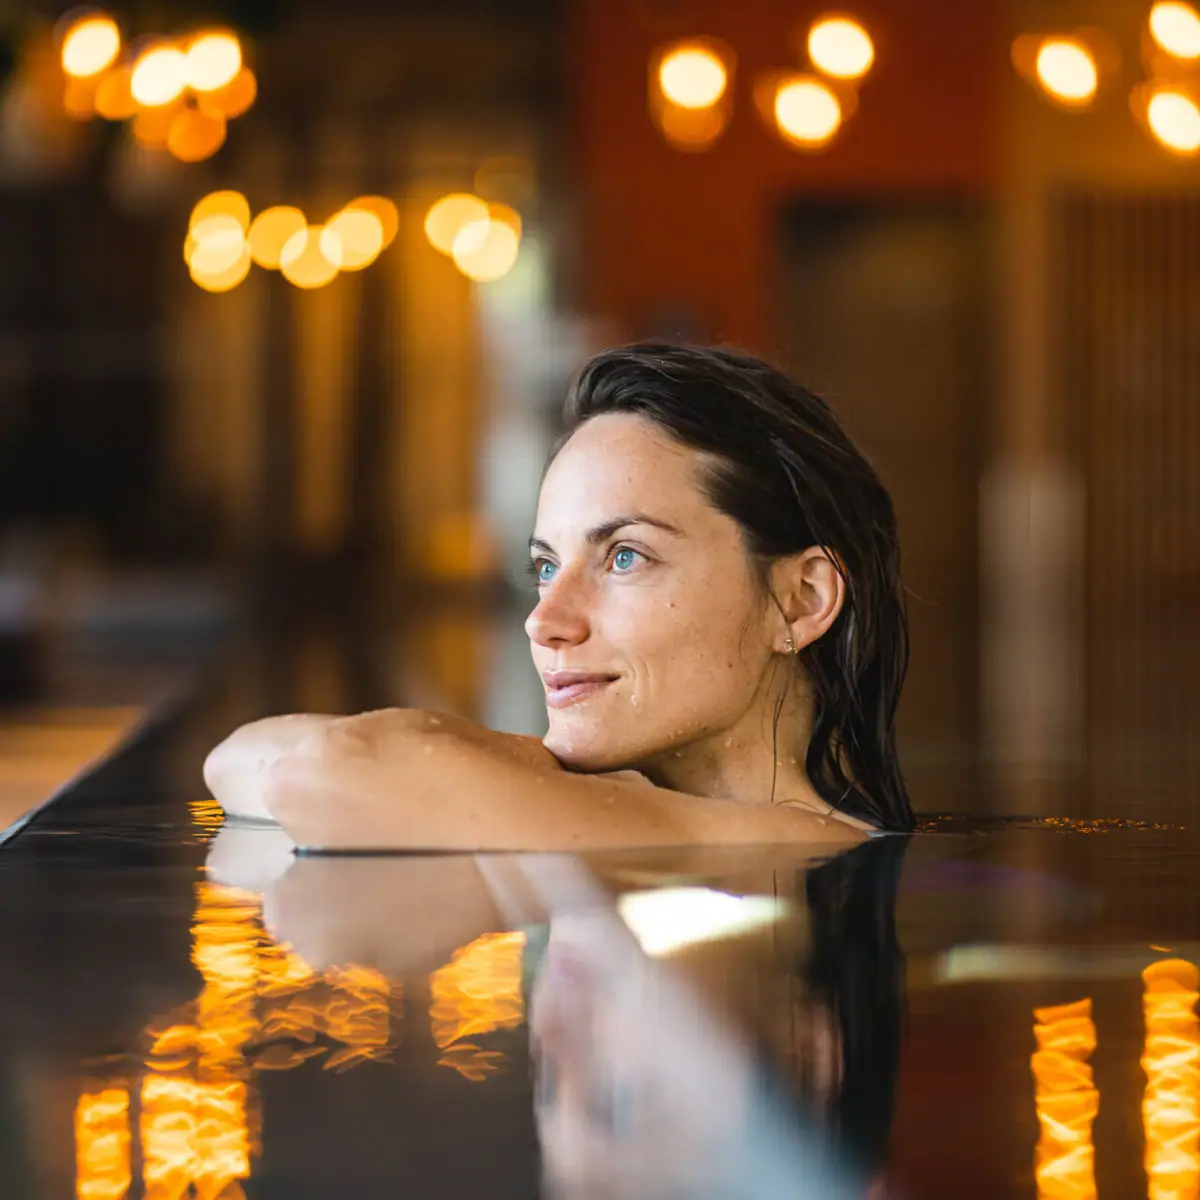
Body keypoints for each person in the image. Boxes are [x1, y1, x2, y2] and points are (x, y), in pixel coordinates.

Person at [204, 343, 915, 850]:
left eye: (624, 556)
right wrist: (532, 773)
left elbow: (331, 771)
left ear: (801, 600)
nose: (545, 621)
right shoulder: (635, 815)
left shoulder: (787, 848)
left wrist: (509, 777)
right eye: (546, 567)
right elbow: (237, 759)